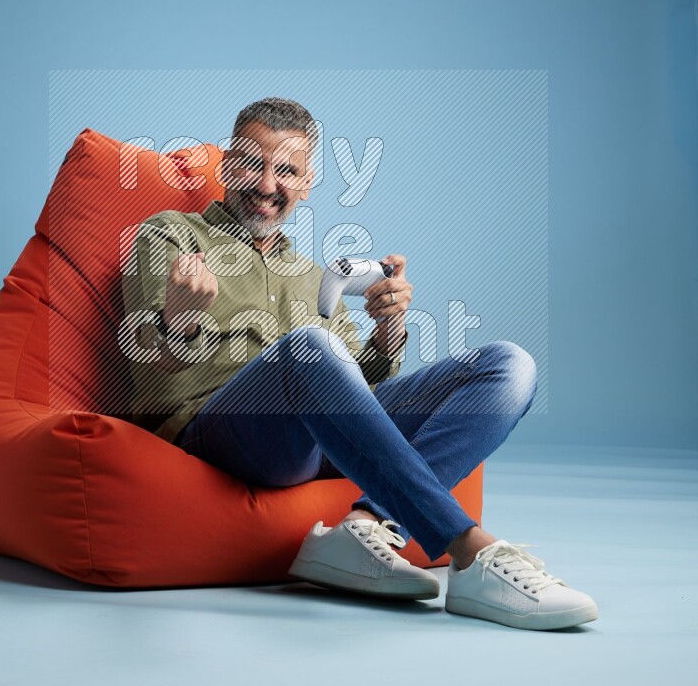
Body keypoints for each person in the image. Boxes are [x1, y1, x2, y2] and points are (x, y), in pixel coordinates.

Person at [121, 97, 598, 631]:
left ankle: (364, 525)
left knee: (508, 366)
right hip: (218, 433)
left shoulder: (314, 277)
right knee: (311, 348)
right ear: (229, 165)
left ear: (306, 183)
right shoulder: (171, 234)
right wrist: (179, 319)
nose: (266, 184)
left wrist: (387, 332)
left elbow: (359, 399)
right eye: (253, 163)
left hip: (318, 442)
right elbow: (149, 370)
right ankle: (470, 550)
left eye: (287, 170)